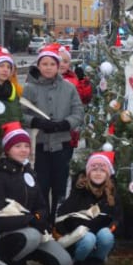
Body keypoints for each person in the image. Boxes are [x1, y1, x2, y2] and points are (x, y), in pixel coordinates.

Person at [0, 122, 72, 265]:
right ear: (7, 149)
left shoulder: (29, 172)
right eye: (18, 146)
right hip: (6, 234)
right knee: (32, 236)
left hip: (31, 229)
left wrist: (39, 218)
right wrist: (30, 220)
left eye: (26, 146)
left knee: (65, 263)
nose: (24, 150)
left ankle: (26, 254)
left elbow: (41, 205)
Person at [22, 43, 83, 221]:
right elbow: (21, 114)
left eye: (52, 64)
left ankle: (58, 221)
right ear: (38, 66)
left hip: (62, 145)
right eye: (44, 64)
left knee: (60, 186)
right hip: (39, 146)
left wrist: (66, 124)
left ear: (58, 66)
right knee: (41, 186)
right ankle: (42, 222)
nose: (48, 68)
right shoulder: (30, 88)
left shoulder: (69, 88)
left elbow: (78, 112)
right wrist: (35, 121)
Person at [55, 150, 122, 265]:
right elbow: (64, 214)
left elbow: (118, 216)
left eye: (102, 170)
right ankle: (80, 262)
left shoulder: (111, 192)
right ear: (88, 172)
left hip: (101, 231)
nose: (98, 173)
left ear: (107, 174)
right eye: (94, 169)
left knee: (106, 235)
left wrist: (113, 225)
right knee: (89, 238)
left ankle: (97, 262)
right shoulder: (79, 191)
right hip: (83, 234)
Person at [58, 45, 93, 157]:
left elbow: (84, 98)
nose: (62, 64)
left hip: (69, 130)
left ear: (69, 64)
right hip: (50, 132)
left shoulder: (74, 79)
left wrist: (83, 82)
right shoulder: (47, 79)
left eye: (65, 61)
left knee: (65, 159)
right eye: (59, 61)